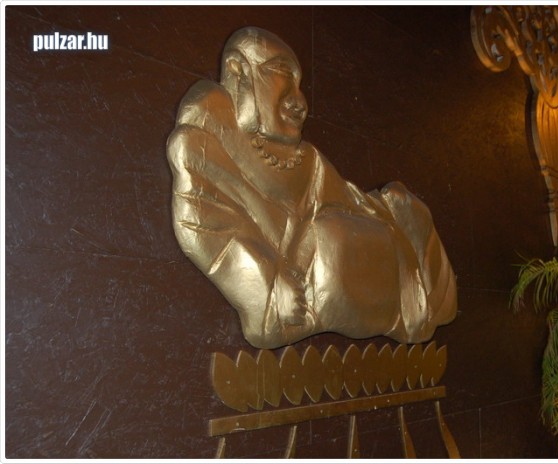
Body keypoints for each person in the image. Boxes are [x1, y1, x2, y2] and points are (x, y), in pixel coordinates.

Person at [167, 27, 457, 349]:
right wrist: (269, 284)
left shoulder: (308, 161)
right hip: (290, 296)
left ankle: (421, 299)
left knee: (398, 217)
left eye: (299, 84)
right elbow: (202, 222)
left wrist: (393, 210)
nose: (299, 102)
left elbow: (352, 203)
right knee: (333, 238)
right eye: (281, 72)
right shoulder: (203, 136)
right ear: (239, 72)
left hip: (341, 279)